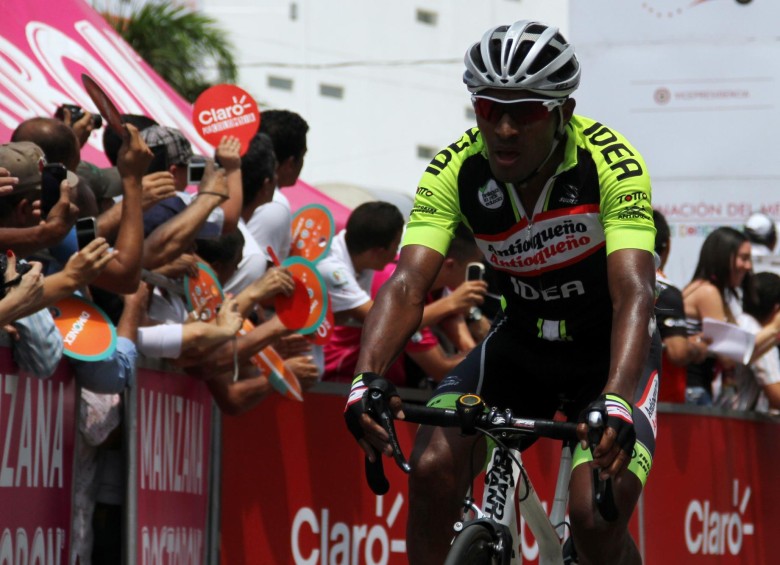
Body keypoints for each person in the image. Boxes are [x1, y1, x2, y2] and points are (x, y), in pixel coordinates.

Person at [345, 20, 661, 564]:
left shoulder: (611, 163)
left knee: (593, 518)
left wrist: (615, 399)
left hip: (608, 351)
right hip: (522, 346)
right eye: (490, 109)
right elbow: (407, 283)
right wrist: (366, 375)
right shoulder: (455, 169)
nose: (506, 129)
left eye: (527, 112)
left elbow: (634, 291)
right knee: (432, 470)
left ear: (562, 111)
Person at [683, 227, 780, 405]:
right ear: (723, 257)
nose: (748, 266)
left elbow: (742, 354)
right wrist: (774, 328)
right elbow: (728, 356)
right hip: (694, 392)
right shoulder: (707, 292)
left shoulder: (708, 291)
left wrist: (774, 334)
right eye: (743, 258)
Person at [653, 209, 709, 402]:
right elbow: (678, 352)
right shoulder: (666, 292)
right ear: (667, 245)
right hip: (661, 405)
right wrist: (696, 347)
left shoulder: (614, 284)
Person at [246, 110, 309, 262]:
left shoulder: (233, 182)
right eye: (303, 156)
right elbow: (256, 268)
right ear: (290, 163)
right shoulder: (275, 203)